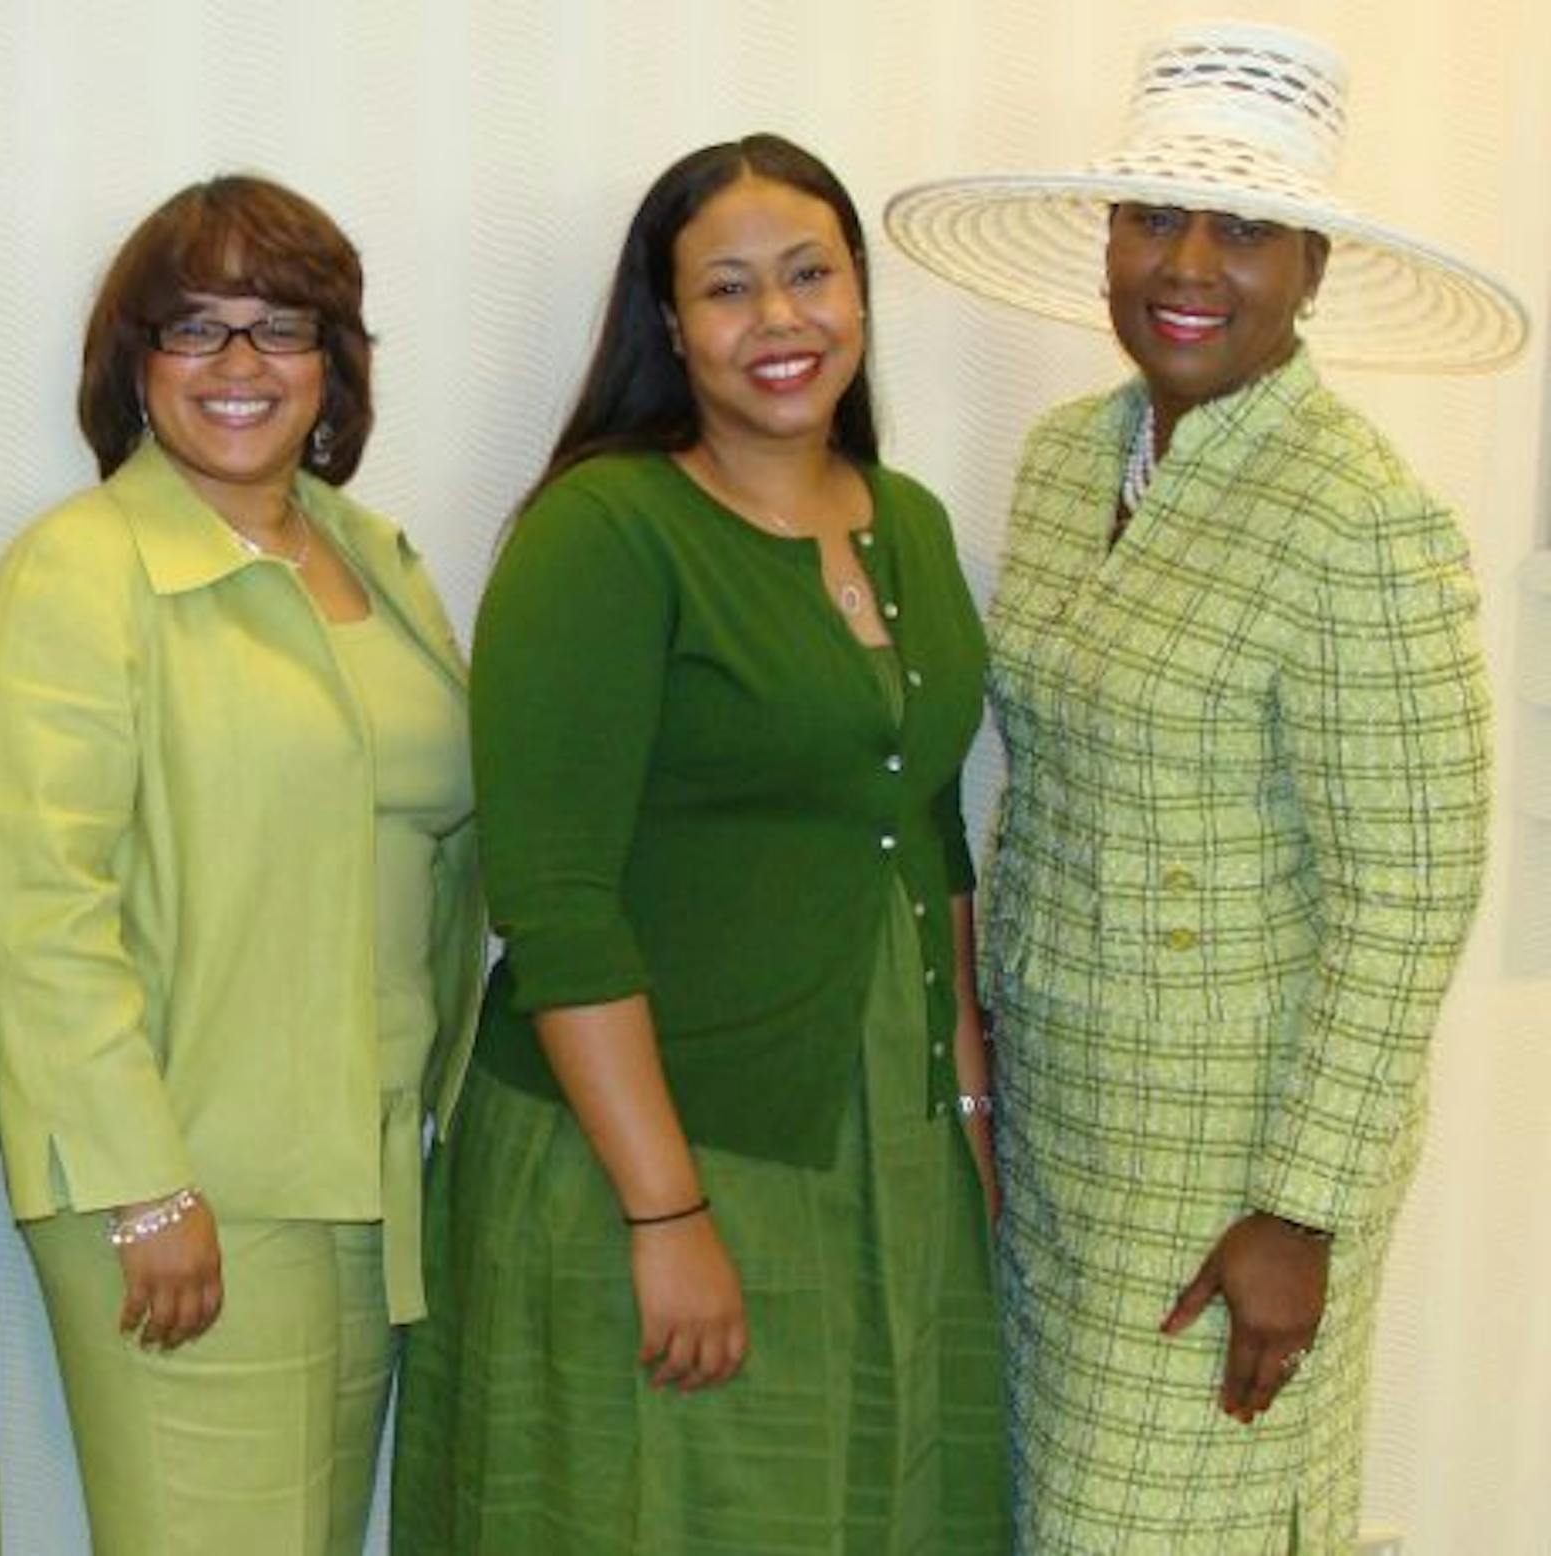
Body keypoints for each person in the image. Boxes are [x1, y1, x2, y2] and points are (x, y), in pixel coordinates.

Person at [884, 21, 1525, 1552]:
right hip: (1049, 1134)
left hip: (1231, 1171)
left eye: (1242, 230)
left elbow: (1414, 890)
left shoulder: (1363, 517)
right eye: (1154, 218)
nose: (1187, 264)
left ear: (1311, 265)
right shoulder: (1059, 461)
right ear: (1107, 236)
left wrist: (1300, 1211)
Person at [393, 133, 1010, 1554]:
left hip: (883, 1137)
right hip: (652, 1146)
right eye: (729, 290)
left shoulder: (906, 523)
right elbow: (555, 906)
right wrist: (666, 1215)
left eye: (811, 275)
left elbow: (925, 836)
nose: (780, 320)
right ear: (672, 327)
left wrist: (970, 1124)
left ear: (861, 290)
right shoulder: (603, 533)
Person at [0, 174, 482, 1556]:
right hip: (190, 1190)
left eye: (282, 325)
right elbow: (40, 913)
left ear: (335, 362)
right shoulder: (78, 572)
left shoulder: (379, 559)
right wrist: (147, 1186)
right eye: (196, 329)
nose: (242, 365)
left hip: (370, 1179)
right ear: (135, 362)